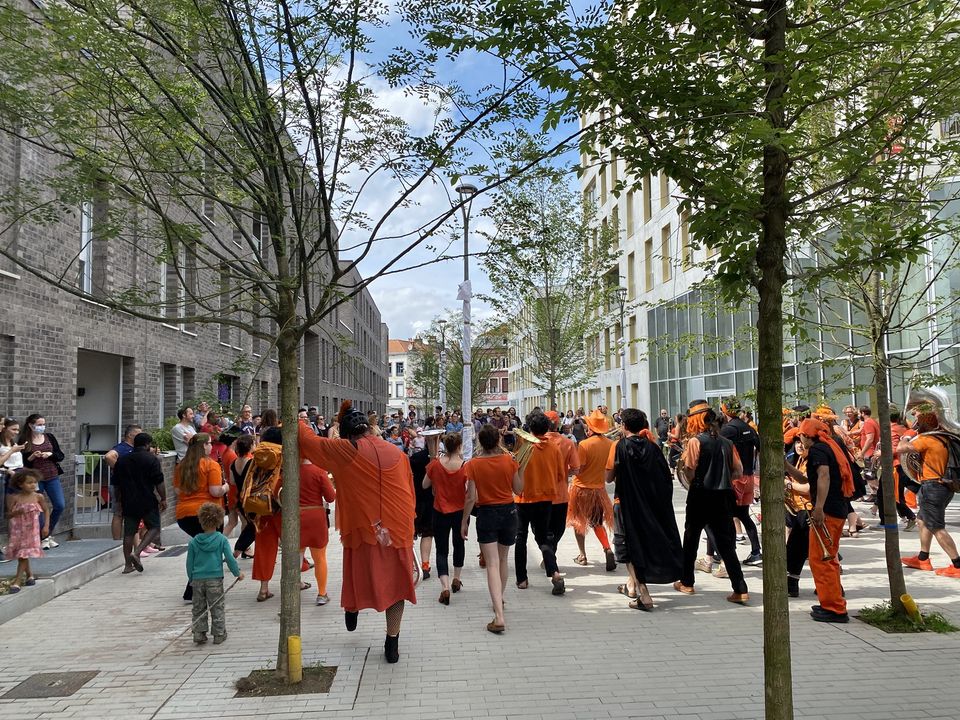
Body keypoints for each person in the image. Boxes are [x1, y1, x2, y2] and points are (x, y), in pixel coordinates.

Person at [297, 401, 416, 664]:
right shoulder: (399, 454)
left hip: (362, 527)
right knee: (397, 587)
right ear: (369, 429)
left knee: (357, 574)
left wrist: (297, 420)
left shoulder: (346, 449)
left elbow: (309, 442)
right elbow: (410, 492)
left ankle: (352, 609)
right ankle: (392, 641)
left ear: (348, 434)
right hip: (397, 529)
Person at [605, 409, 682, 610]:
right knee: (643, 542)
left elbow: (609, 477)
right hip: (650, 505)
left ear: (624, 426)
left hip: (626, 504)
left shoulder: (619, 446)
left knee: (628, 546)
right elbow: (665, 478)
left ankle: (644, 594)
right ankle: (631, 586)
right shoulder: (653, 447)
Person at [675, 401, 749, 604]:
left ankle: (687, 582)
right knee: (726, 544)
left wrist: (694, 480)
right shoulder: (727, 442)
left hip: (700, 494)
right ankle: (740, 588)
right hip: (724, 496)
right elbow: (738, 471)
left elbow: (689, 469)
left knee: (691, 539)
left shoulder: (695, 442)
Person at [789, 418, 855, 622]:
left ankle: (834, 608)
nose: (799, 440)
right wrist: (785, 466)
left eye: (800, 436)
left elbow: (823, 476)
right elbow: (807, 479)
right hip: (837, 510)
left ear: (806, 435)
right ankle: (832, 602)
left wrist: (818, 508)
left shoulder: (818, 451)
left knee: (821, 560)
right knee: (829, 559)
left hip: (827, 512)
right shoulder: (829, 447)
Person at [463, 423, 522, 633]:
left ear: (480, 441)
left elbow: (471, 497)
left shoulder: (472, 464)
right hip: (509, 512)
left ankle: (498, 614)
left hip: (486, 513)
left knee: (492, 564)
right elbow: (518, 489)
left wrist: (464, 522)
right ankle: (500, 599)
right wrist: (519, 467)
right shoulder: (509, 461)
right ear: (498, 440)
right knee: (504, 559)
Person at [899, 408, 960, 578]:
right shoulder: (944, 437)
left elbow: (901, 448)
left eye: (918, 418)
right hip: (943, 486)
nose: (915, 421)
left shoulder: (926, 439)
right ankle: (922, 559)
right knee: (922, 521)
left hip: (933, 487)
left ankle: (957, 564)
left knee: (936, 527)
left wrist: (907, 434)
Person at [514, 411, 566, 595]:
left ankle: (522, 579)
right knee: (544, 537)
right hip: (546, 498)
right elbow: (561, 475)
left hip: (523, 498)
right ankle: (555, 573)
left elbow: (515, 471)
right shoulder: (554, 447)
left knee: (521, 537)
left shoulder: (524, 447)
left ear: (529, 428)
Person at [174, 433, 229, 601]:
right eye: (210, 444)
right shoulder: (211, 465)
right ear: (204, 446)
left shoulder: (181, 466)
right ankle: (204, 588)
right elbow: (215, 491)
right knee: (212, 551)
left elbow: (177, 491)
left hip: (184, 514)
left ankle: (193, 589)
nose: (211, 446)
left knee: (202, 549)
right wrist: (226, 487)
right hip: (208, 513)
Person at [186, 502, 244, 644]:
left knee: (199, 608)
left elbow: (189, 563)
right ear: (219, 521)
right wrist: (237, 573)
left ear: (200, 520)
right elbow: (230, 559)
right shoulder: (221, 540)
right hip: (215, 579)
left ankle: (199, 634)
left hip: (197, 580)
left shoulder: (194, 542)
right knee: (217, 606)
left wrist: (191, 578)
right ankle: (218, 634)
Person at [567, 409, 616, 570]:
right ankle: (607, 548)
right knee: (597, 522)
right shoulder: (610, 444)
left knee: (578, 523)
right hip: (598, 490)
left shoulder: (584, 444)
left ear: (590, 428)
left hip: (581, 489)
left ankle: (582, 555)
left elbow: (578, 469)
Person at [112, 432, 167, 574]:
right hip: (147, 499)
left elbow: (116, 484)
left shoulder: (122, 461)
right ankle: (137, 552)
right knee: (154, 527)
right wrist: (163, 498)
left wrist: (118, 501)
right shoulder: (151, 460)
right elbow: (159, 482)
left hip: (128, 500)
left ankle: (127, 566)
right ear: (147, 445)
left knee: (129, 532)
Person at [424, 433, 467, 605]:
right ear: (459, 447)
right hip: (459, 512)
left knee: (441, 550)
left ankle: (445, 587)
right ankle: (457, 578)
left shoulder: (435, 464)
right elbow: (468, 490)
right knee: (459, 544)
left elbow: (424, 484)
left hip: (440, 511)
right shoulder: (465, 466)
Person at [719, 398, 762, 566]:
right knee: (744, 515)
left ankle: (726, 555)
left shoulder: (727, 430)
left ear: (724, 411)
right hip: (749, 477)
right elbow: (759, 448)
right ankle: (756, 551)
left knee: (726, 515)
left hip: (735, 478)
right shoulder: (749, 428)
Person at [18, 414, 65, 549]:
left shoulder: (49, 437)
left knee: (59, 505)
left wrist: (50, 455)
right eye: (39, 424)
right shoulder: (24, 440)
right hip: (35, 479)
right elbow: (22, 461)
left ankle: (46, 533)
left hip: (52, 476)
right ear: (31, 425)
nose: (42, 427)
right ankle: (44, 538)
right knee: (38, 508)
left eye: (43, 424)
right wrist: (32, 457)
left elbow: (60, 455)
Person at [3, 468, 49, 593]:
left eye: (34, 482)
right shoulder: (14, 498)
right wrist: (17, 512)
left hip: (32, 530)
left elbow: (46, 510)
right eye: (29, 483)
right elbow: (8, 515)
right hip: (18, 529)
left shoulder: (38, 497)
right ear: (20, 484)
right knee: (22, 554)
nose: (33, 485)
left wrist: (46, 526)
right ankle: (30, 575)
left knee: (24, 554)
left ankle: (17, 581)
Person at [544, 410, 580, 565]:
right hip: (560, 493)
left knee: (544, 530)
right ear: (558, 423)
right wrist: (565, 473)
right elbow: (576, 469)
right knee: (557, 529)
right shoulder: (568, 443)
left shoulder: (534, 443)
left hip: (540, 494)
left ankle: (548, 557)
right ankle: (551, 554)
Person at [300, 457, 336, 606]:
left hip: (295, 517)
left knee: (296, 556)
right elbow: (330, 497)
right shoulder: (319, 471)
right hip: (315, 516)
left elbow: (278, 492)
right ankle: (321, 593)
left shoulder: (288, 470)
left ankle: (293, 587)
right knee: (319, 557)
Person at [409, 439, 433, 580]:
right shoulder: (439, 459)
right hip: (430, 500)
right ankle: (425, 565)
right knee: (427, 533)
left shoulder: (415, 458)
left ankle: (412, 565)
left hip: (414, 499)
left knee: (410, 533)